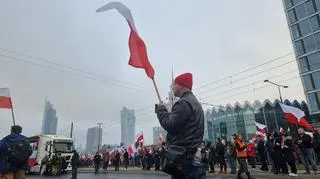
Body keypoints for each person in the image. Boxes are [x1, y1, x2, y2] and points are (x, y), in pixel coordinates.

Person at [155, 72, 205, 179]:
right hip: (193, 160)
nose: (173, 86)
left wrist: (161, 110)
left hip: (184, 162)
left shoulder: (183, 103)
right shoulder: (194, 103)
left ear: (182, 85)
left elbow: (170, 125)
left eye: (175, 84)